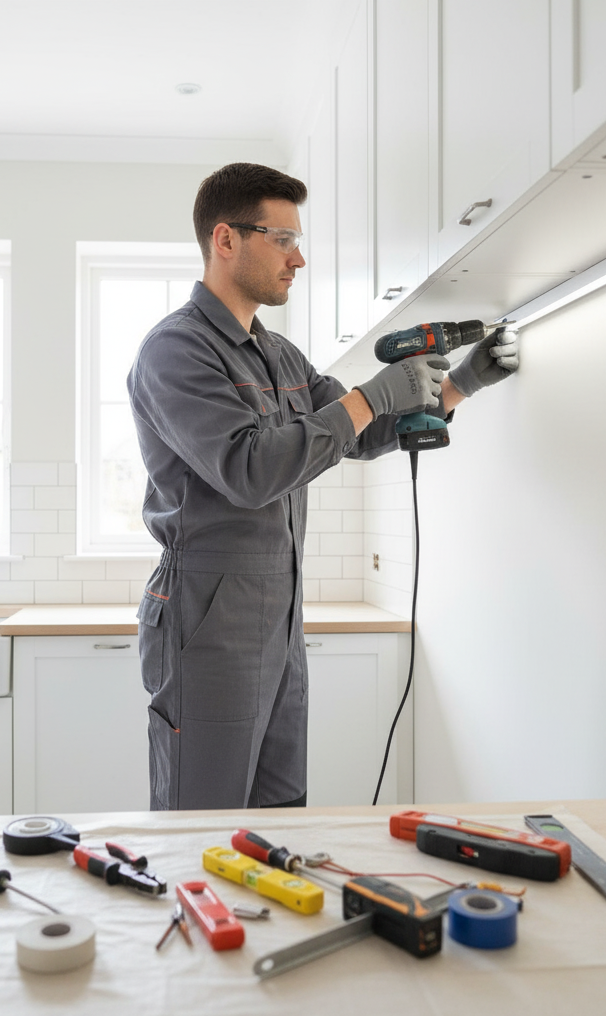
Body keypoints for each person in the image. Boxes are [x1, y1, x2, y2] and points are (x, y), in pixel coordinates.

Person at [127, 162, 518, 811]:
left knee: (282, 814)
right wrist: (369, 396)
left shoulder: (278, 355)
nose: (299, 257)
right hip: (206, 619)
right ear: (226, 240)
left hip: (279, 617)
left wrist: (458, 386)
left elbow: (359, 432)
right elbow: (250, 471)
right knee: (202, 819)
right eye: (281, 239)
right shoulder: (175, 351)